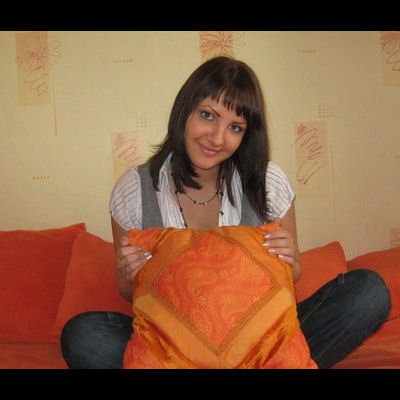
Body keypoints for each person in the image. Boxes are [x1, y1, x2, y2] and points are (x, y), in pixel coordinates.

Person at [61, 56, 391, 369]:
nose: (217, 138)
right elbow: (128, 290)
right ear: (185, 111)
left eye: (235, 127)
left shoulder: (267, 182)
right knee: (85, 335)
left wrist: (291, 262)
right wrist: (129, 272)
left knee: (368, 292)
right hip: (174, 343)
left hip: (261, 342)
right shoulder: (135, 191)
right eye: (208, 115)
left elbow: (292, 278)